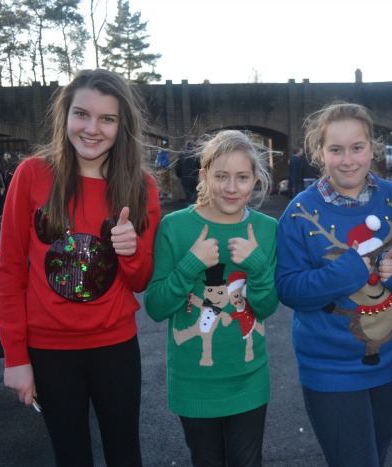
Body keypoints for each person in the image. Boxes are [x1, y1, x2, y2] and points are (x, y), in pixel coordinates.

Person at [0, 69, 161, 466]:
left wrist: (132, 250)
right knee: (71, 456)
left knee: (125, 455)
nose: (92, 129)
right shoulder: (32, 175)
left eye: (107, 119)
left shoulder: (141, 186)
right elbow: (9, 271)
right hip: (49, 351)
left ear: (122, 126)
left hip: (115, 348)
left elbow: (140, 279)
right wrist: (16, 358)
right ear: (65, 116)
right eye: (82, 114)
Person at [275, 102, 392, 467]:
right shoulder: (300, 212)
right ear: (320, 152)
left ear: (372, 149)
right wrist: (348, 272)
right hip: (329, 370)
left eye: (357, 148)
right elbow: (289, 289)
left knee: (376, 457)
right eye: (336, 149)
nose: (348, 159)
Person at [144, 129, 278, 467]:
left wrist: (258, 266)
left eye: (242, 177)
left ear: (255, 180)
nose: (231, 188)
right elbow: (156, 306)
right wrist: (190, 264)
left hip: (248, 377)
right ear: (204, 176)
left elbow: (266, 307)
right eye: (221, 176)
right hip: (194, 381)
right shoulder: (174, 227)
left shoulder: (266, 229)